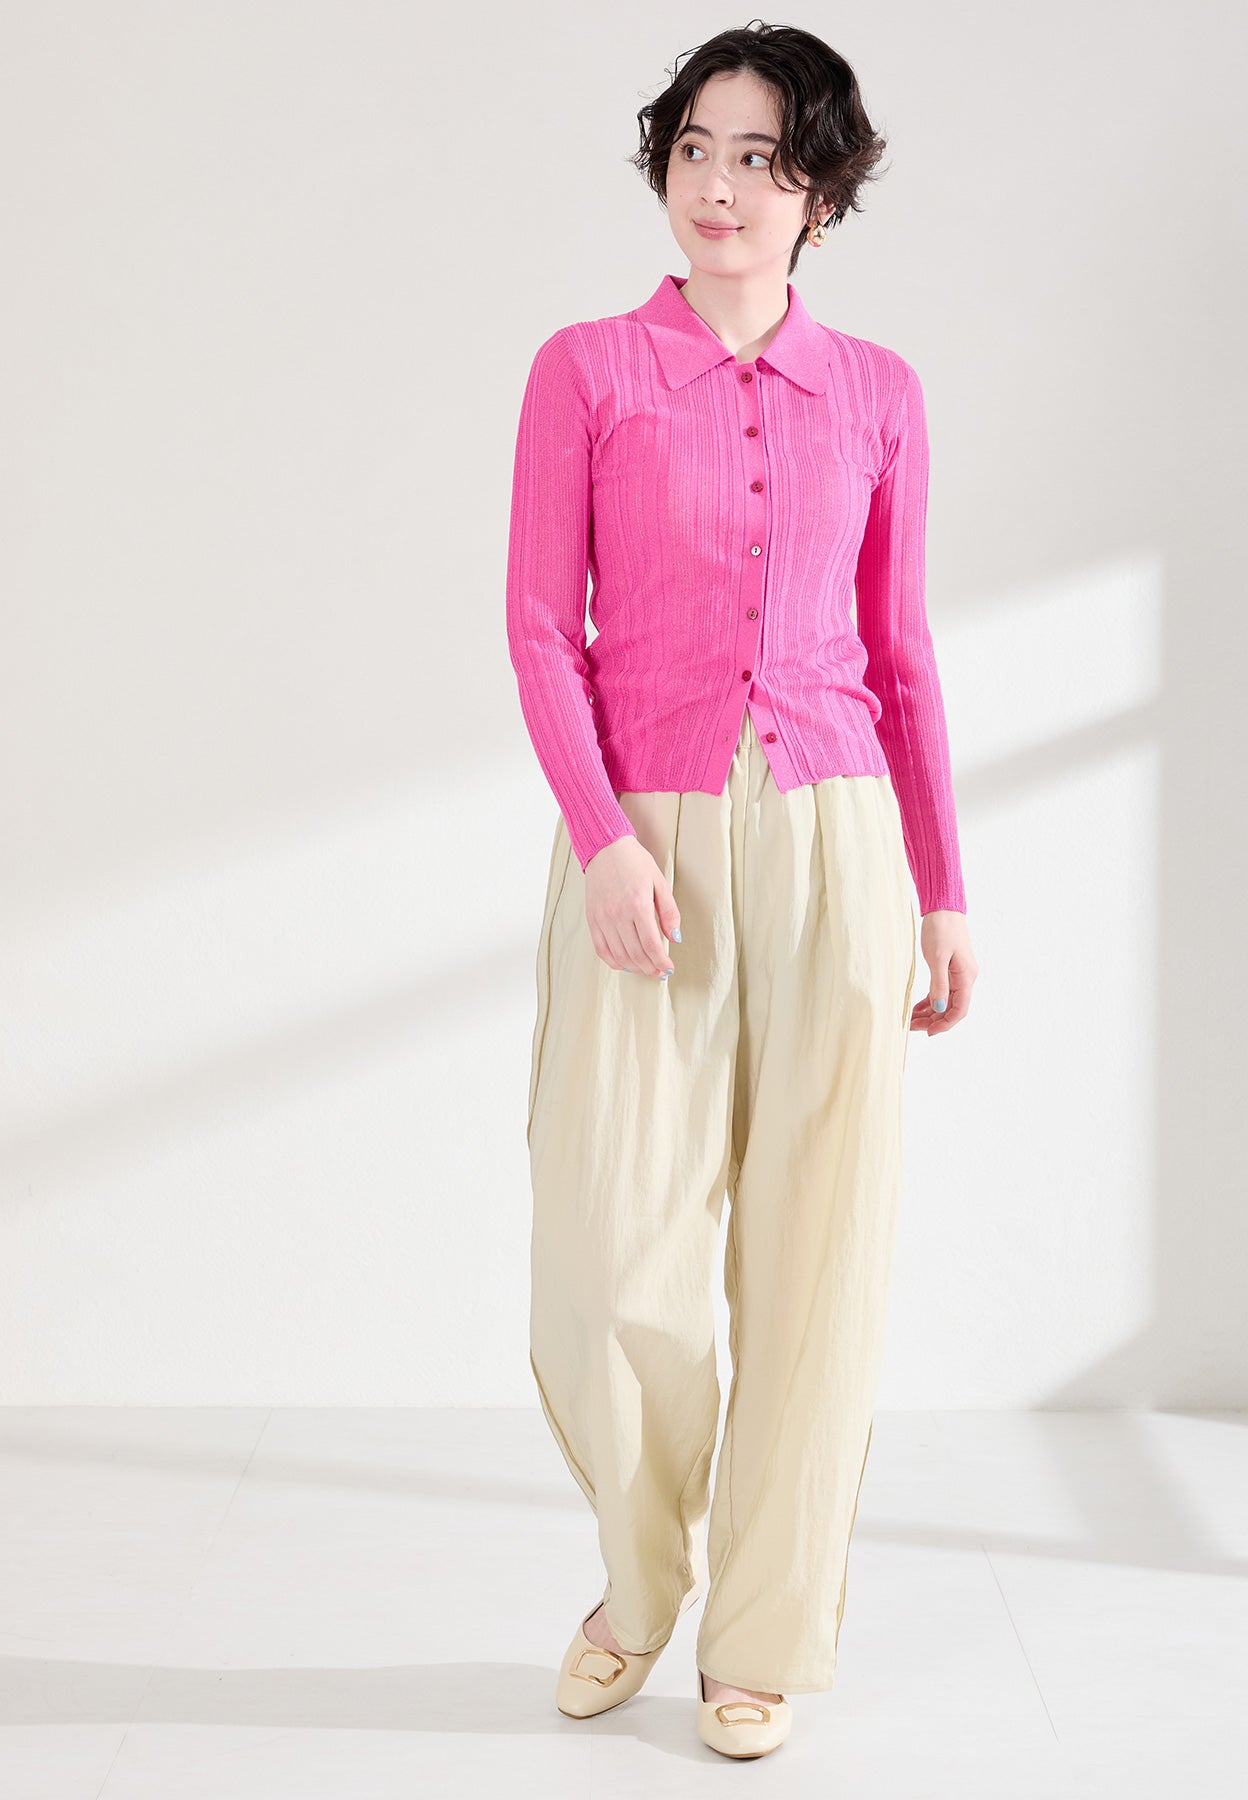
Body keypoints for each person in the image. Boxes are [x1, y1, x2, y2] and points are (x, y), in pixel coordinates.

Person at [506, 20, 978, 1761]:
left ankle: (761, 1632)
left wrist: (941, 887)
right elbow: (542, 631)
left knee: (815, 1255)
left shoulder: (882, 394)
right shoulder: (587, 372)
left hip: (840, 845)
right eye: (696, 148)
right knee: (608, 1254)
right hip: (646, 840)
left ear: (820, 195)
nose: (719, 185)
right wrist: (607, 840)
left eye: (762, 159)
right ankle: (643, 1581)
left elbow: (901, 655)